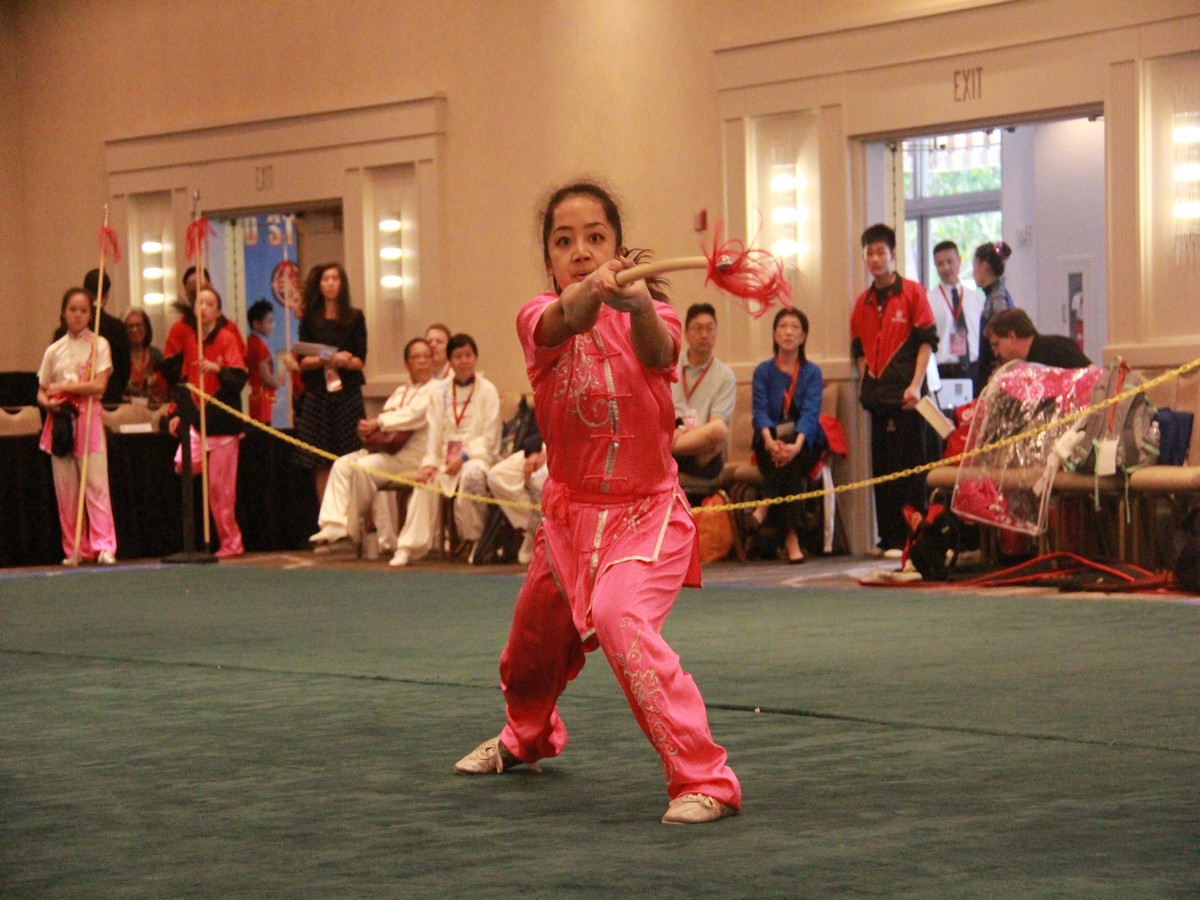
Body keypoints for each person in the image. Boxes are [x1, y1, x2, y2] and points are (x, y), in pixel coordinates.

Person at [453, 181, 741, 827]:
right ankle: (525, 737)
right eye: (564, 242)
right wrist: (591, 292)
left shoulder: (657, 316)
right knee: (529, 649)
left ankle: (706, 779)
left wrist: (637, 305)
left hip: (646, 517)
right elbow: (571, 317)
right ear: (549, 260)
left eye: (594, 238)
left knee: (621, 619)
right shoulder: (536, 318)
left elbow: (660, 354)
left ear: (617, 246)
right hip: (566, 521)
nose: (580, 251)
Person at [850, 223, 939, 557]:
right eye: (869, 253)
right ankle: (888, 538)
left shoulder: (913, 293)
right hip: (878, 400)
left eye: (880, 252)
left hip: (908, 399)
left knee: (912, 470)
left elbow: (926, 343)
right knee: (883, 472)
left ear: (893, 254)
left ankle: (912, 538)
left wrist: (915, 385)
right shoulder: (862, 302)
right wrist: (866, 380)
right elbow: (858, 349)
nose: (875, 259)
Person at [309, 337, 437, 550]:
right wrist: (368, 427)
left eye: (426, 357)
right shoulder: (401, 391)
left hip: (412, 457)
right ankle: (333, 524)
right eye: (416, 357)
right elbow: (385, 415)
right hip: (387, 451)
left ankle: (349, 528)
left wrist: (379, 422)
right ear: (407, 364)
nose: (422, 362)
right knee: (342, 464)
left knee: (364, 468)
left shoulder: (437, 389)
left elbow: (414, 415)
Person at [389, 333, 500, 566]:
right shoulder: (439, 391)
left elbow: (490, 438)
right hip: (444, 458)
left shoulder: (488, 390)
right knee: (426, 481)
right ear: (450, 361)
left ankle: (475, 540)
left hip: (475, 457)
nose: (464, 361)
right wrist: (430, 463)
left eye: (468, 355)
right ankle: (408, 547)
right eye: (458, 356)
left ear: (475, 358)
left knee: (472, 476)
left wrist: (464, 457)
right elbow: (434, 432)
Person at [37, 287, 118, 565]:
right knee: (67, 491)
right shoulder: (54, 350)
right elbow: (42, 390)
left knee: (96, 485)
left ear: (90, 314)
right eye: (73, 310)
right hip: (61, 423)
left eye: (83, 310)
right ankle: (74, 548)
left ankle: (104, 545)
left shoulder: (100, 345)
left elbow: (99, 385)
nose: (78, 315)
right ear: (63, 313)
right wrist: (49, 403)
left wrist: (66, 388)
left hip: (88, 419)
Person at [167, 286, 248, 558]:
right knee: (183, 463)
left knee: (219, 489)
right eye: (199, 303)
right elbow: (186, 381)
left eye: (209, 304)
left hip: (222, 424)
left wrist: (216, 368)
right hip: (198, 421)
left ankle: (231, 542)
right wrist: (178, 412)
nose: (203, 308)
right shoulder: (192, 341)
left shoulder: (226, 338)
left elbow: (238, 380)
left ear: (218, 311)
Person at [749, 307, 827, 564]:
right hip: (769, 441)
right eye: (783, 326)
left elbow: (810, 414)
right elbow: (760, 412)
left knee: (791, 458)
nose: (789, 332)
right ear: (774, 334)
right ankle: (792, 538)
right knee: (787, 467)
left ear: (803, 337)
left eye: (795, 327)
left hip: (805, 443)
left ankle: (765, 505)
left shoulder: (812, 372)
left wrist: (796, 446)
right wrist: (770, 442)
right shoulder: (762, 371)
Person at [294, 263, 368, 503]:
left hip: (347, 395)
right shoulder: (310, 319)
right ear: (319, 285)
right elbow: (303, 360)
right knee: (321, 460)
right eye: (325, 279)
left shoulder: (355, 317)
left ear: (342, 284)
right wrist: (328, 357)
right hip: (318, 395)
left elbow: (360, 361)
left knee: (351, 458)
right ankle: (326, 516)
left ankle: (352, 514)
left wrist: (344, 361)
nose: (330, 284)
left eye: (335, 279)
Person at [670, 303, 736, 498]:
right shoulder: (670, 364)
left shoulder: (725, 375)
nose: (704, 335)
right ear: (686, 333)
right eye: (697, 328)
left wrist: (681, 434)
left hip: (698, 445)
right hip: (694, 450)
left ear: (716, 333)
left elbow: (716, 426)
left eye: (710, 328)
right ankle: (669, 450)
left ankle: (665, 451)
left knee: (719, 431)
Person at [53, 269, 129, 406]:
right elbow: (125, 371)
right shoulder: (118, 328)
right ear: (107, 295)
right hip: (110, 401)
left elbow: (55, 373)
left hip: (71, 402)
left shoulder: (62, 331)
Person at [484, 409, 547, 565]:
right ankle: (535, 526)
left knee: (540, 479)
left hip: (563, 452)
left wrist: (549, 451)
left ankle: (544, 529)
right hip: (539, 448)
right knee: (497, 475)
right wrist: (534, 451)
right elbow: (535, 424)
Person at [928, 240, 984, 388]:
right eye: (940, 264)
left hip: (973, 369)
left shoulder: (976, 298)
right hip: (943, 370)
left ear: (959, 261)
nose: (946, 268)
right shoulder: (928, 300)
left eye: (950, 262)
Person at [972, 241, 1015, 395]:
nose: (973, 273)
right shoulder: (995, 295)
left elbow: (1002, 334)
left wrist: (998, 367)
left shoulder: (998, 299)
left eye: (974, 266)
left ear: (984, 266)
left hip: (992, 373)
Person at [984, 308, 1092, 369]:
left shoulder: (1059, 348)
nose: (996, 353)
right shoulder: (1024, 364)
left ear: (1012, 336)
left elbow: (1094, 376)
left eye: (996, 345)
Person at [245, 299, 287, 424]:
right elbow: (265, 376)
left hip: (254, 397)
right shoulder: (259, 345)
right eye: (269, 322)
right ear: (256, 323)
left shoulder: (250, 341)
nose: (272, 326)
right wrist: (278, 382)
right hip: (261, 400)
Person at [123, 308, 167, 404]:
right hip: (125, 411)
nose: (135, 330)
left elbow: (165, 390)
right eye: (130, 326)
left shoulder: (157, 355)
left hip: (154, 410)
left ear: (146, 328)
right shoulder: (119, 357)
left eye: (139, 325)